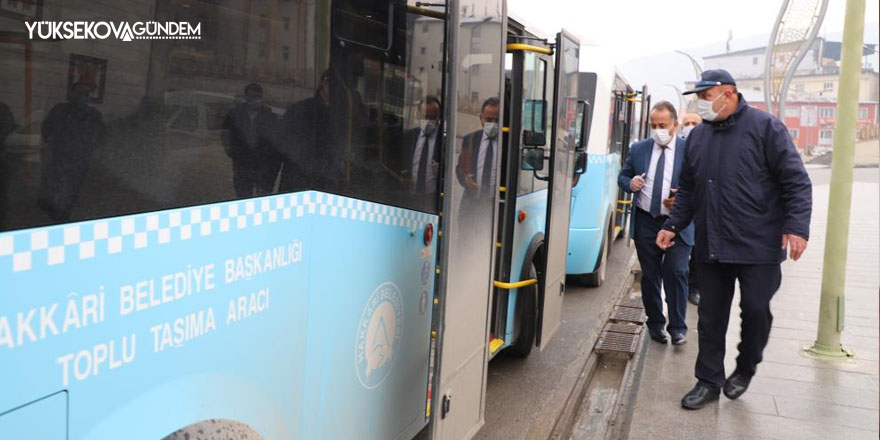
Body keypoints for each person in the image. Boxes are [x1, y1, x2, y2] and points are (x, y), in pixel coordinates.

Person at [657, 69, 812, 410]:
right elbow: (689, 190)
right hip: (712, 242)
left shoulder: (766, 128)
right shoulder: (698, 138)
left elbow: (796, 182)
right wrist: (673, 225)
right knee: (711, 316)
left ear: (728, 94)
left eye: (705, 97)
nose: (701, 104)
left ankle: (746, 367)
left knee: (756, 309)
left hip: (759, 243)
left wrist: (797, 227)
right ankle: (709, 380)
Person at [618, 101, 693, 347]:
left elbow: (700, 185)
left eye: (662, 125)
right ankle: (656, 324)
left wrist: (681, 198)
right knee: (650, 277)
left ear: (674, 125)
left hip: (677, 223)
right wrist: (631, 184)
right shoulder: (639, 149)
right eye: (653, 125)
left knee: (677, 272)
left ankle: (678, 328)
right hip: (646, 221)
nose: (658, 129)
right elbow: (623, 175)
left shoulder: (689, 149)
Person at [38, 80, 106, 221]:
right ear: (72, 94)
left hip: (77, 159)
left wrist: (86, 151)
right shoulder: (60, 109)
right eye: (79, 92)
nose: (82, 96)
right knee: (54, 185)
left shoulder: (94, 115)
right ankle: (54, 211)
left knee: (70, 188)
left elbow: (100, 137)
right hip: (58, 156)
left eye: (85, 93)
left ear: (88, 96)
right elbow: (46, 130)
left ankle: (61, 215)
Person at [221, 83, 280, 198]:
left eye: (258, 96)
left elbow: (275, 141)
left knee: (263, 198)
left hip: (263, 165)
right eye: (252, 96)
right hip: (242, 164)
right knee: (243, 195)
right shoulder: (235, 114)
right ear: (246, 96)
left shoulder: (269, 116)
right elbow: (225, 134)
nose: (255, 99)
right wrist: (231, 151)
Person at [456, 97, 500, 210]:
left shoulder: (508, 144)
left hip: (495, 206)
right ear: (481, 118)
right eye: (489, 120)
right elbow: (461, 168)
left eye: (497, 120)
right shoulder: (470, 139)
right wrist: (466, 181)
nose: (493, 124)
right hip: (470, 206)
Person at [679, 111, 703, 306]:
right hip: (680, 208)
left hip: (702, 209)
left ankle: (693, 288)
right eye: (687, 123)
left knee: (697, 251)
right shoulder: (678, 148)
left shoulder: (709, 146)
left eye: (695, 122)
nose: (691, 126)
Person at [400, 95, 442, 195]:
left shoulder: (444, 141)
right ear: (418, 115)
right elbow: (400, 163)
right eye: (425, 116)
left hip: (432, 197)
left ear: (439, 116)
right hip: (409, 195)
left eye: (432, 117)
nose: (427, 121)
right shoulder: (408, 137)